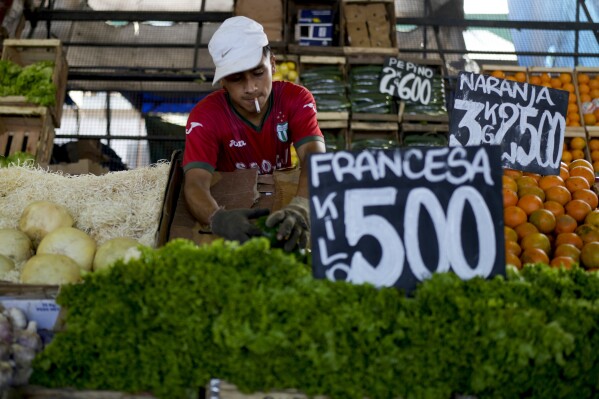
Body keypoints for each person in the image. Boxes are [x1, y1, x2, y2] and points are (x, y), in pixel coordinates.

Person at [182, 16, 326, 252]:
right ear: (222, 83)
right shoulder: (205, 116)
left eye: (258, 72)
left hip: (284, 200)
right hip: (231, 204)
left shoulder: (295, 99)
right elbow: (195, 182)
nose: (251, 88)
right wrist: (217, 218)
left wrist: (301, 207)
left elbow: (314, 156)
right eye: (236, 79)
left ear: (273, 63)